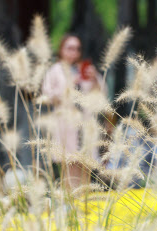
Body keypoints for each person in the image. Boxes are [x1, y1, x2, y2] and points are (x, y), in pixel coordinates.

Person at [42, 34, 104, 189]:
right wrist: (70, 84)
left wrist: (94, 78)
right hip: (66, 124)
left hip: (84, 123)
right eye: (69, 48)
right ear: (61, 49)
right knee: (69, 163)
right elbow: (47, 95)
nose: (73, 52)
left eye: (77, 49)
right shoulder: (55, 71)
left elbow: (101, 93)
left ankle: (83, 205)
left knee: (85, 164)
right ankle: (72, 204)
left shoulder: (83, 68)